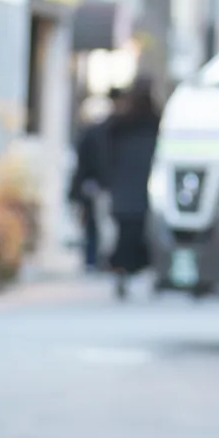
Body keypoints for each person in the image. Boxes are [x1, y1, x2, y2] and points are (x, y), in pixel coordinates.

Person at [104, 77, 160, 297]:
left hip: (125, 186)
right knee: (140, 232)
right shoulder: (154, 121)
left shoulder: (119, 124)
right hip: (142, 184)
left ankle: (123, 271)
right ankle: (140, 272)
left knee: (126, 232)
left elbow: (106, 154)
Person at [68, 88, 121, 272]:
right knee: (98, 224)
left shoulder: (101, 133)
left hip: (97, 185)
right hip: (99, 186)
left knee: (98, 225)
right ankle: (96, 259)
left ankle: (96, 259)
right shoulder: (104, 133)